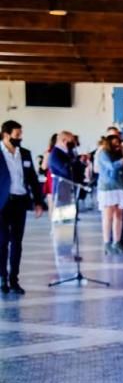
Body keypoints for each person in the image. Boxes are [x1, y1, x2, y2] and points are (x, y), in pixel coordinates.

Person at [0, 120, 46, 295]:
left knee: (17, 242)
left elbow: (33, 179)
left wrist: (38, 201)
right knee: (2, 242)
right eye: (17, 135)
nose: (20, 138)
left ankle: (14, 279)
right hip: (2, 203)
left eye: (20, 134)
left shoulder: (24, 154)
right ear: (6, 134)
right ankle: (2, 278)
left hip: (19, 202)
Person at [95, 133, 123, 254]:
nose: (117, 145)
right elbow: (111, 167)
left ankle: (117, 241)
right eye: (115, 143)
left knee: (119, 215)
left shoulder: (119, 153)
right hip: (108, 186)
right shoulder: (103, 153)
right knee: (108, 216)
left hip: (119, 186)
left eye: (119, 142)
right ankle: (107, 243)